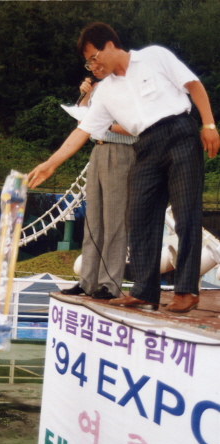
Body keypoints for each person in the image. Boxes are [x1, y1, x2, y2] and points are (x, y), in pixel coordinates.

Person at [29, 21, 219, 314]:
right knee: (138, 214)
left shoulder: (154, 56)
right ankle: (144, 291)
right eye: (87, 62)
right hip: (144, 144)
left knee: (186, 215)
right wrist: (51, 163)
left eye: (94, 57)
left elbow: (193, 84)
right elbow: (83, 131)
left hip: (180, 132)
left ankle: (186, 290)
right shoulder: (104, 92)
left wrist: (208, 124)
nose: (92, 66)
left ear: (109, 45)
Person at [62, 76, 136, 299]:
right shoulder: (99, 89)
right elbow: (82, 123)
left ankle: (110, 284)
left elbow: (134, 127)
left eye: (95, 60)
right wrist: (86, 93)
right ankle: (87, 282)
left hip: (121, 152)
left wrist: (102, 124)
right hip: (98, 150)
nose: (93, 68)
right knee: (93, 221)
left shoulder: (130, 87)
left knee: (115, 222)